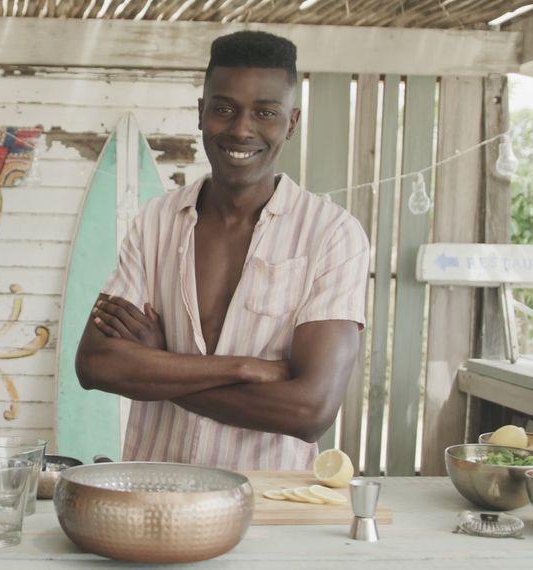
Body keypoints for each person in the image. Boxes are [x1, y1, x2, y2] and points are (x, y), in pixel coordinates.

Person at [74, 31, 370, 471]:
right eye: (224, 108)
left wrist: (160, 367)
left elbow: (310, 411)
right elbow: (95, 364)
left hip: (268, 507)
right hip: (155, 495)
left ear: (291, 122)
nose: (241, 129)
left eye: (265, 112)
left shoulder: (331, 235)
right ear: (201, 113)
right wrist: (245, 368)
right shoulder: (155, 221)